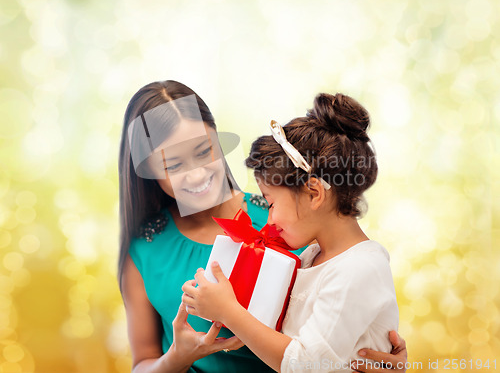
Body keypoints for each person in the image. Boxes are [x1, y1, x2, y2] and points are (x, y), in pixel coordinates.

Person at [118, 80, 408, 372]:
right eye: (173, 165)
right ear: (148, 170)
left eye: (204, 151)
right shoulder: (146, 247)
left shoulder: (292, 218)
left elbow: (344, 314)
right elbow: (143, 361)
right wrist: (178, 357)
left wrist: (380, 349)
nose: (195, 175)